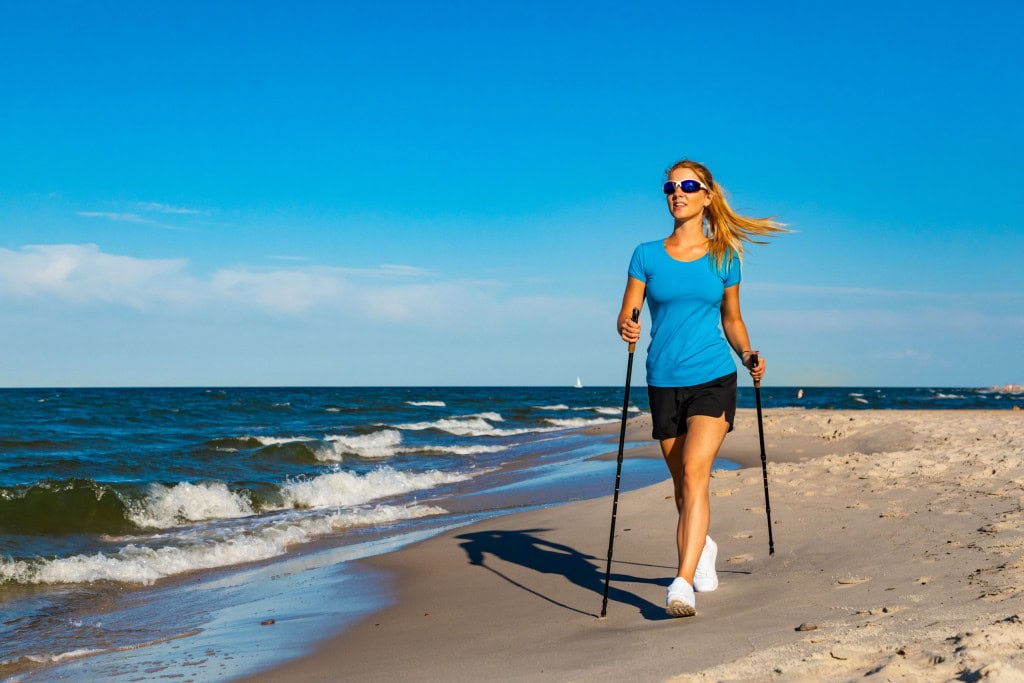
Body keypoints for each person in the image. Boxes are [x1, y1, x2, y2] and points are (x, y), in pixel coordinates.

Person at [617, 159, 786, 617]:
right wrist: (626, 327)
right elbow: (627, 313)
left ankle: (682, 582)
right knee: (681, 488)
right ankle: (703, 548)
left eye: (688, 186)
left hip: (713, 376)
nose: (677, 192)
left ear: (706, 196)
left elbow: (731, 318)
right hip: (663, 379)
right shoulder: (646, 255)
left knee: (695, 474)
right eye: (670, 186)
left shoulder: (725, 255)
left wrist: (748, 353)